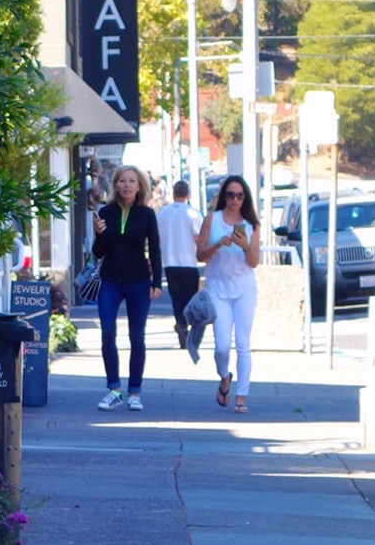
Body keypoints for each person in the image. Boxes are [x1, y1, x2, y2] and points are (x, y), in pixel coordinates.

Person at [91, 165, 163, 411]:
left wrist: (157, 283)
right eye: (122, 181)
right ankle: (114, 389)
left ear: (139, 185)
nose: (127, 185)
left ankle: (134, 392)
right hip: (110, 280)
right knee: (108, 333)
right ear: (115, 185)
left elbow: (154, 249)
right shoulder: (106, 212)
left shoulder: (146, 214)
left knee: (137, 337)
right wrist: (98, 234)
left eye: (132, 181)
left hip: (138, 281)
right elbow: (98, 252)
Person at [193, 174, 260, 413]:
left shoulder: (251, 225)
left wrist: (244, 245)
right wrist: (218, 244)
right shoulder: (212, 219)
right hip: (218, 289)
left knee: (243, 343)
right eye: (230, 195)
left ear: (245, 198)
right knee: (222, 346)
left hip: (244, 290)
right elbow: (200, 255)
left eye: (239, 196)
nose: (235, 200)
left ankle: (241, 396)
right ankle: (224, 376)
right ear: (224, 196)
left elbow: (254, 262)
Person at [156, 180, 201, 348]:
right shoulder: (194, 214)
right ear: (187, 194)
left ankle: (180, 323)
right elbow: (198, 237)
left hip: (170, 261)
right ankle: (185, 324)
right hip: (189, 261)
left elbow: (157, 236)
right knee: (190, 296)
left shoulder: (163, 213)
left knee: (176, 297)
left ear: (173, 194)